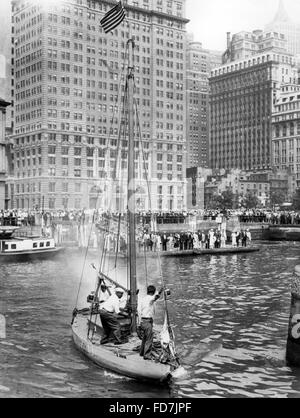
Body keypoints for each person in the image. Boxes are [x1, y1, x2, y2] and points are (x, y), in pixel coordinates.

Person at [138, 285, 164, 360]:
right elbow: (155, 298)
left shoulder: (143, 299)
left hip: (143, 320)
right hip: (147, 321)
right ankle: (147, 355)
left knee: (145, 337)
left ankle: (142, 352)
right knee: (149, 339)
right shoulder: (150, 299)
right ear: (153, 292)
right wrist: (160, 292)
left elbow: (139, 310)